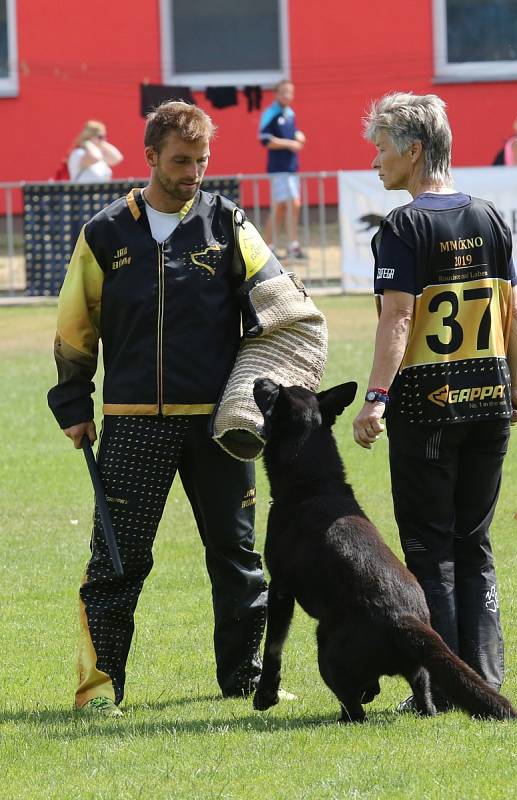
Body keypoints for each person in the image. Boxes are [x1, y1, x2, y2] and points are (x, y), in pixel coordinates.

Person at [48, 101, 291, 717]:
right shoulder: (104, 232)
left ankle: (244, 680)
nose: (194, 172)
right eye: (182, 161)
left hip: (221, 425)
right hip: (132, 422)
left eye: (202, 161)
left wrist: (271, 385)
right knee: (116, 562)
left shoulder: (230, 223)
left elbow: (282, 310)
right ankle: (100, 691)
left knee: (238, 559)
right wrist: (75, 401)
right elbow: (76, 327)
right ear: (150, 156)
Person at [352, 92, 517, 711]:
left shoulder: (404, 227)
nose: (375, 161)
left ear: (413, 149)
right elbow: (512, 314)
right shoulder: (489, 216)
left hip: (427, 407)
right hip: (490, 403)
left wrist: (375, 398)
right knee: (473, 541)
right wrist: (516, 385)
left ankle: (446, 690)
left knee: (428, 546)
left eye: (380, 147)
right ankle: (486, 674)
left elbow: (397, 318)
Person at [259, 79, 306, 259]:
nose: (288, 96)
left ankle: (293, 245)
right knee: (280, 206)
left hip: (291, 167)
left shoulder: (290, 113)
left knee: (294, 205)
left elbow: (291, 133)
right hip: (278, 168)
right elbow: (265, 139)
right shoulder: (270, 113)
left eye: (290, 92)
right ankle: (269, 245)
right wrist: (290, 143)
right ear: (277, 94)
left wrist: (298, 135)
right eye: (284, 92)